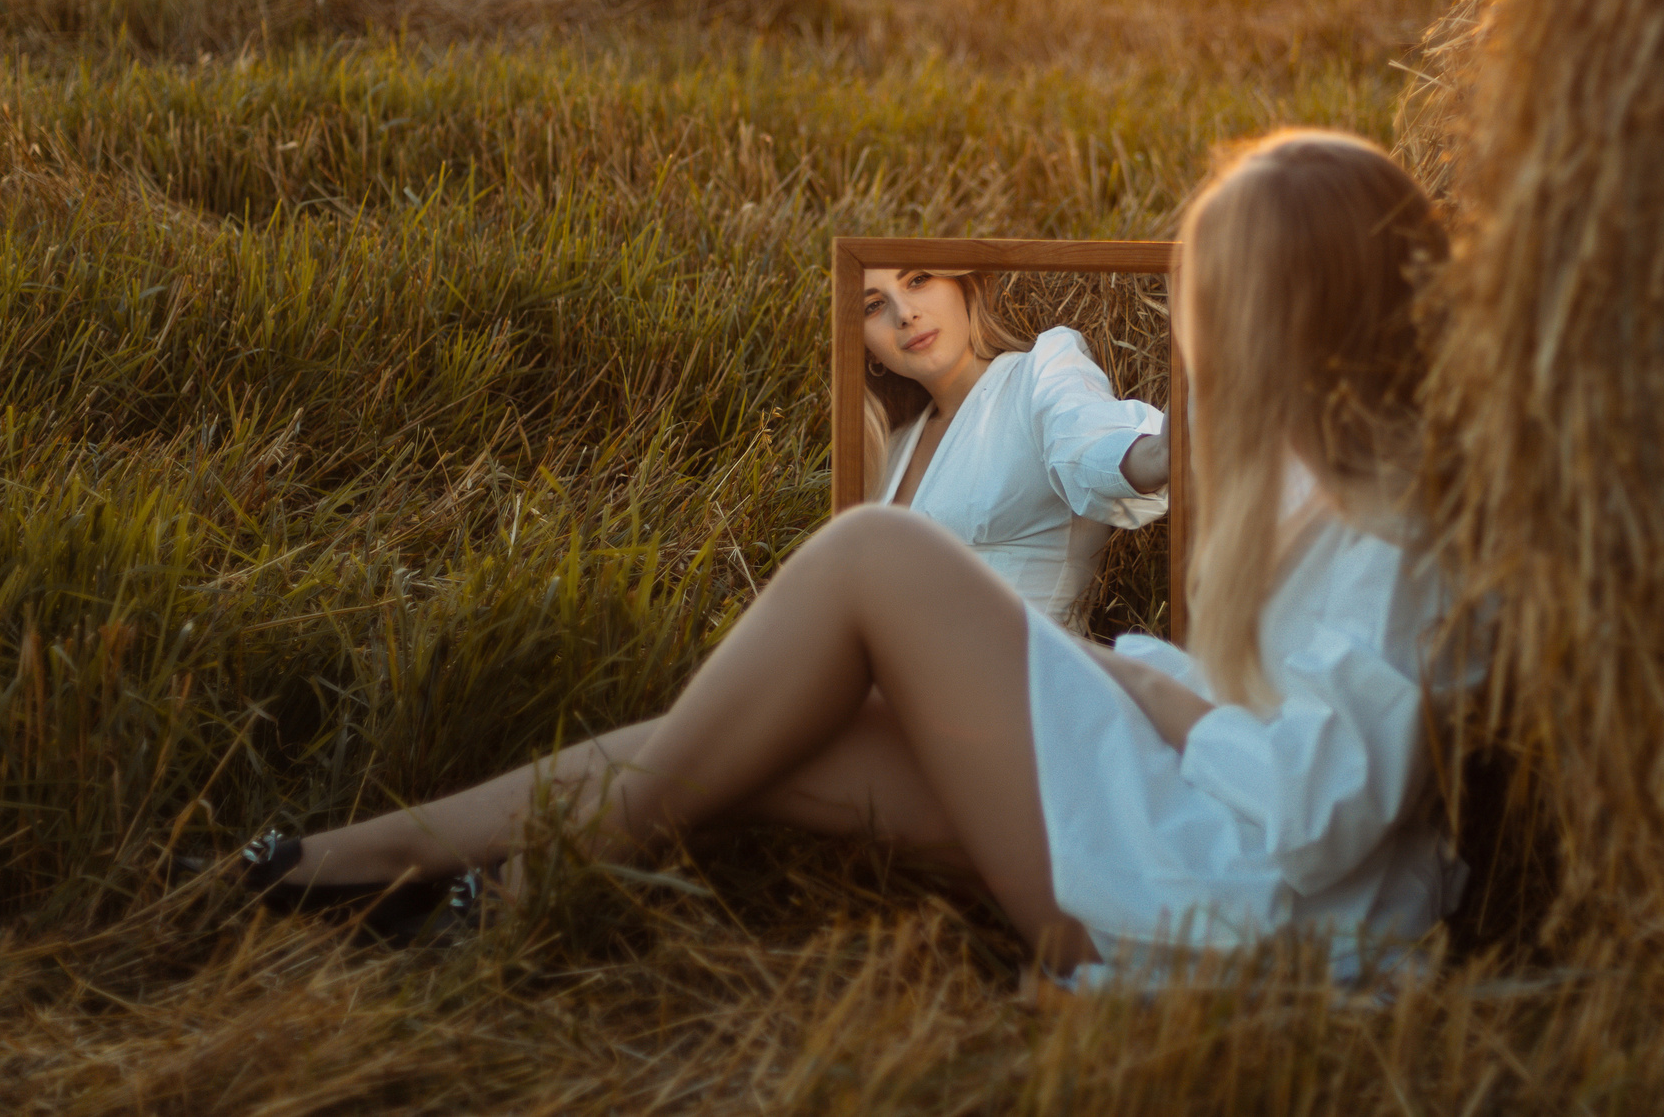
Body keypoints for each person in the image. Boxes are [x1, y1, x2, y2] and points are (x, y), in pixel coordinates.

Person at [212, 130, 1464, 975]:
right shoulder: (1314, 477)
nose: (901, 309)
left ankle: (518, 894)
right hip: (1187, 836)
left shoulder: (1388, 526)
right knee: (765, 739)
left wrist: (1137, 680)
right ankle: (375, 865)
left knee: (873, 556)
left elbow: (1318, 806)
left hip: (1231, 904)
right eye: (880, 298)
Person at [858, 265, 1169, 628]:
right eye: (873, 306)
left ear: (964, 288)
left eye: (918, 279)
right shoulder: (886, 452)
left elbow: (1085, 442)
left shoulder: (1040, 374)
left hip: (1020, 675)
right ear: (868, 351)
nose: (905, 314)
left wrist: (1159, 454)